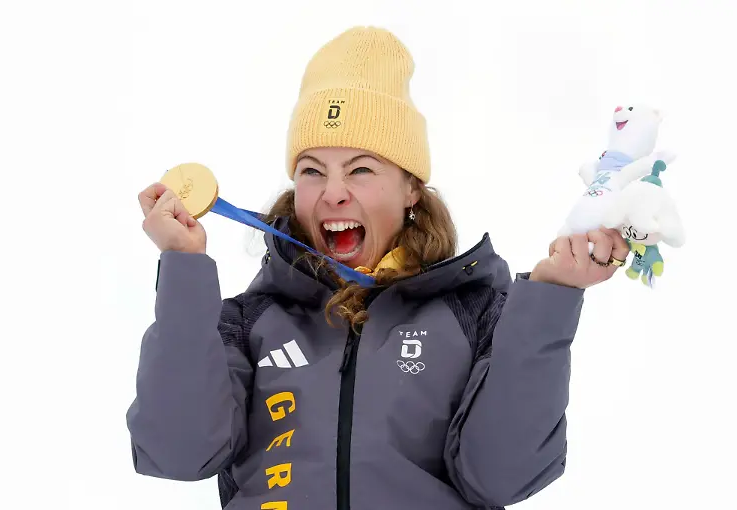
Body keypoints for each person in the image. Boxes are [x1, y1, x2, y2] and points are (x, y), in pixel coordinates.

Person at [126, 26, 630, 510]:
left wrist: (551, 298)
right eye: (312, 170)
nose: (334, 192)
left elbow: (504, 475)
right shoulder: (251, 321)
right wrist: (183, 267)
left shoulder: (476, 316)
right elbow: (178, 452)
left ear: (411, 189)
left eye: (361, 169)